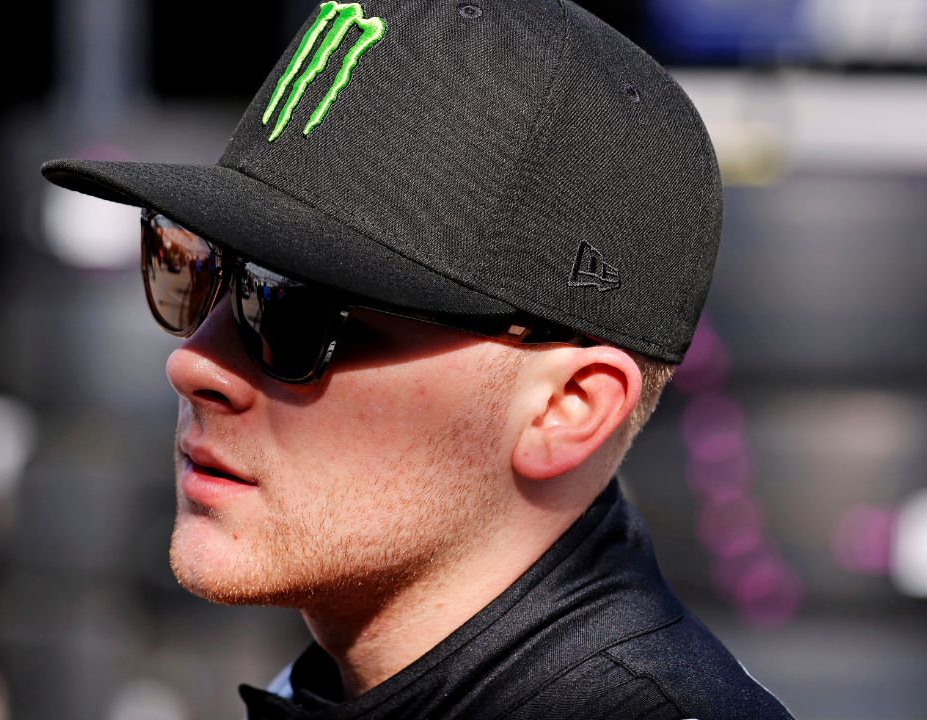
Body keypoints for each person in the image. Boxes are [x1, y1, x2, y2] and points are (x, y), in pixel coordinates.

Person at [43, 1, 795, 717]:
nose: (193, 362)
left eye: (294, 308)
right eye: (198, 269)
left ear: (566, 408)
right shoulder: (347, 683)